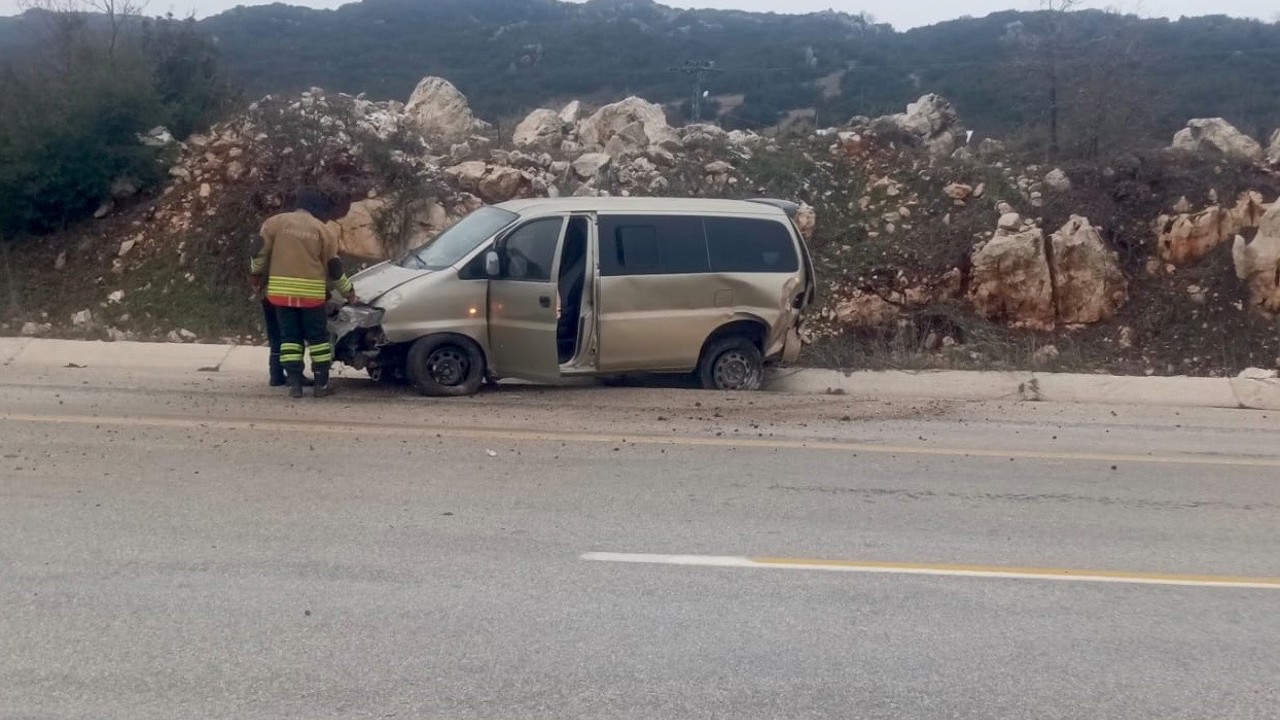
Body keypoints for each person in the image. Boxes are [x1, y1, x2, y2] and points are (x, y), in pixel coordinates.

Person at [250, 187, 357, 398]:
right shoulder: (324, 230)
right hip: (311, 296)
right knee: (318, 339)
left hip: (281, 293)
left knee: (290, 338)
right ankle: (320, 385)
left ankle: (295, 385)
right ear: (317, 210)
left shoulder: (274, 223)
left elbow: (258, 251)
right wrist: (349, 293)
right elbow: (334, 269)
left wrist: (255, 275)